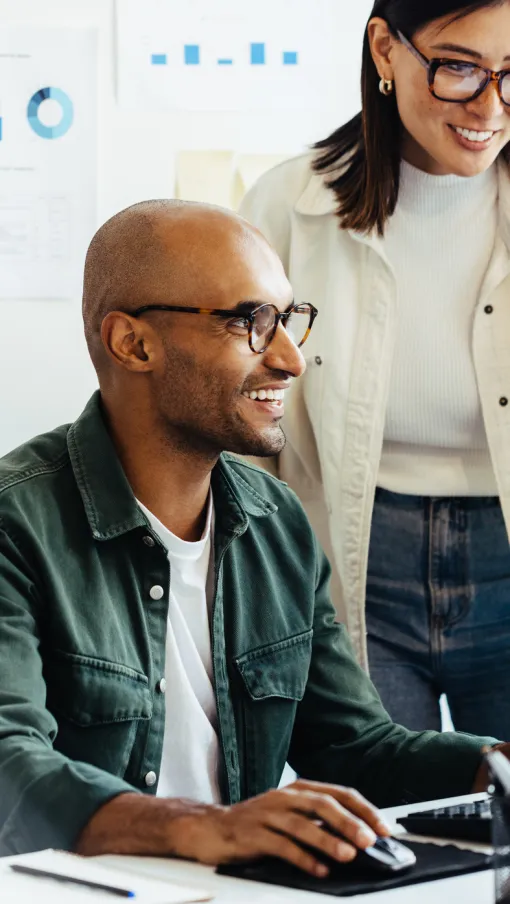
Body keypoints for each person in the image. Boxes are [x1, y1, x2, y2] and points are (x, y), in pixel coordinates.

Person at [0, 200, 505, 872]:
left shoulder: (278, 521)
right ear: (134, 343)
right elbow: (10, 762)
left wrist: (493, 766)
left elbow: (356, 748)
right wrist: (203, 828)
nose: (292, 359)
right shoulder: (17, 521)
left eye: (289, 319)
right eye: (251, 322)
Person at [239, 0, 510, 736]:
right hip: (355, 564)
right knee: (394, 827)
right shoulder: (289, 207)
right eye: (459, 67)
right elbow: (237, 418)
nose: (491, 106)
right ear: (386, 51)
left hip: (505, 563)